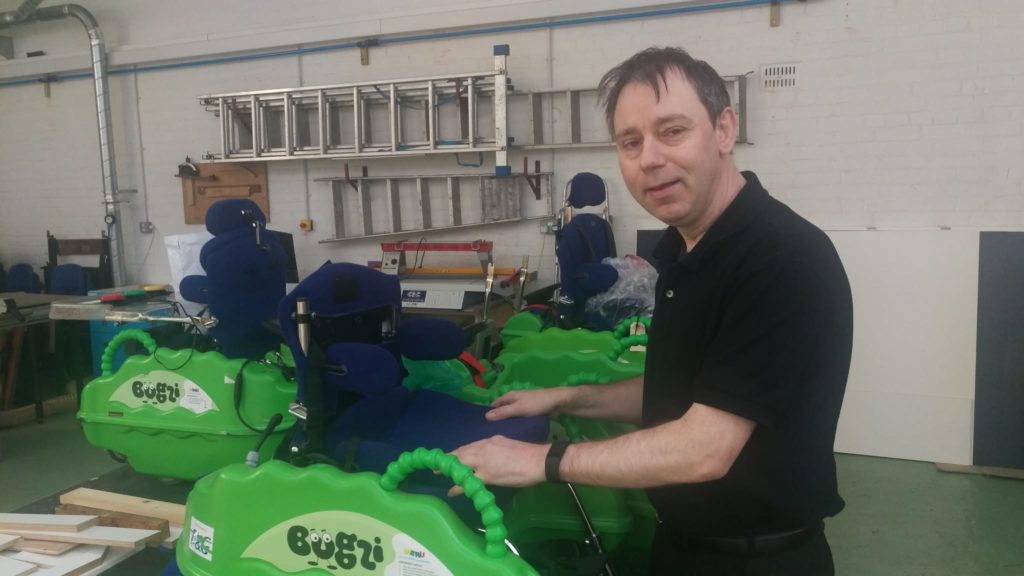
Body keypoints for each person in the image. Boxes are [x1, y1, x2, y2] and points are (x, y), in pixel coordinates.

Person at [452, 46, 853, 576]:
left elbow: (704, 448)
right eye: (630, 142)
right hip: (682, 546)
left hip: (757, 559)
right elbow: (681, 394)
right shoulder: (686, 253)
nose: (649, 159)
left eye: (672, 131)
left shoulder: (778, 257)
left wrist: (540, 461)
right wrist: (567, 398)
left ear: (725, 131)